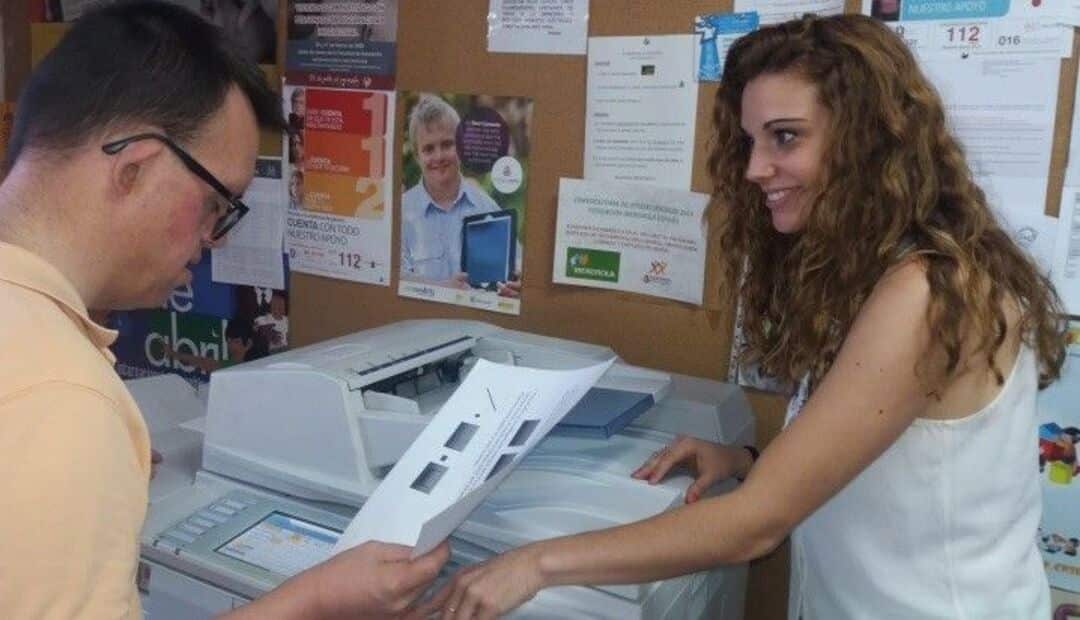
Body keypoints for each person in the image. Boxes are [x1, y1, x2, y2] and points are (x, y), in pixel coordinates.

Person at [429, 14, 1064, 620]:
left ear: (867, 140)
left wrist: (534, 564)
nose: (756, 168)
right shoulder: (877, 270)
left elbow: (756, 525)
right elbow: (879, 447)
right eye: (750, 141)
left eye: (785, 136)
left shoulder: (925, 291)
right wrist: (748, 462)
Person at [0, 3, 446, 618]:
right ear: (134, 168)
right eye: (217, 204)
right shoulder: (60, 401)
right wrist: (313, 600)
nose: (217, 238)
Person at [400, 95, 507, 291]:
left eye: (447, 144)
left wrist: (514, 285)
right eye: (428, 149)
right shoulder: (400, 212)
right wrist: (443, 289)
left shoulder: (487, 208)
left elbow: (512, 272)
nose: (439, 156)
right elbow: (393, 281)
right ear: (417, 156)